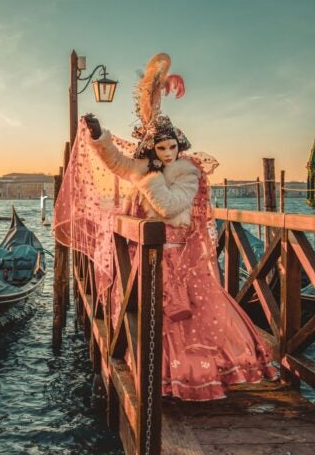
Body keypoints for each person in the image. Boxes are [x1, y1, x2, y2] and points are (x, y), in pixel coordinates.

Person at [76, 53, 276, 401]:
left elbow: (169, 206)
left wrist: (147, 177)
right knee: (149, 320)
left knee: (188, 320)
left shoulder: (189, 172)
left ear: (179, 147)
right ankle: (160, 377)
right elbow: (119, 162)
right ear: (153, 147)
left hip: (180, 260)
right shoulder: (147, 166)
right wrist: (100, 137)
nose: (167, 152)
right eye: (160, 147)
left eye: (172, 147)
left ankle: (194, 378)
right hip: (147, 255)